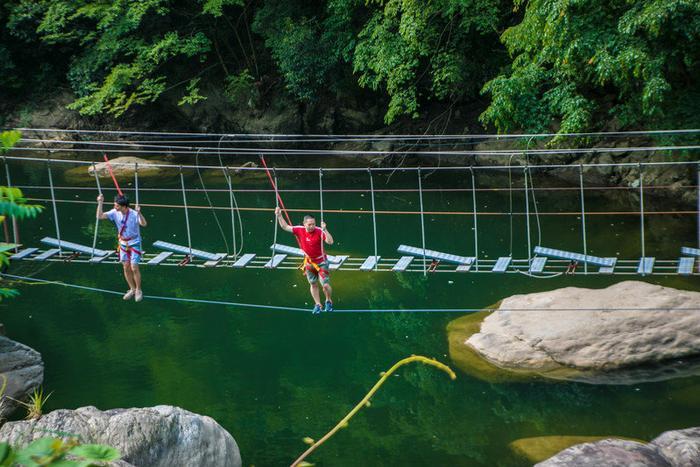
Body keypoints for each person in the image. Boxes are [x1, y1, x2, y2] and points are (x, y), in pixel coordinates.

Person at [275, 207, 334, 313]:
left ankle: (328, 301)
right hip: (309, 262)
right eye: (309, 224)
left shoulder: (319, 231)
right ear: (304, 224)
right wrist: (279, 215)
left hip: (321, 262)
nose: (312, 226)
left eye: (313, 224)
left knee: (325, 285)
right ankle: (318, 304)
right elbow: (285, 226)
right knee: (313, 284)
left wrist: (325, 230)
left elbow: (330, 242)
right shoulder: (299, 229)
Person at [97, 194, 147, 302]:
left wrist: (139, 213)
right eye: (115, 205)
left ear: (124, 206)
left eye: (117, 206)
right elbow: (100, 216)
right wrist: (100, 202)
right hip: (123, 243)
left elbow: (143, 224)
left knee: (134, 267)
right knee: (125, 267)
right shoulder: (115, 213)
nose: (115, 207)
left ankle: (138, 290)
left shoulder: (133, 214)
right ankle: (132, 289)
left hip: (134, 243)